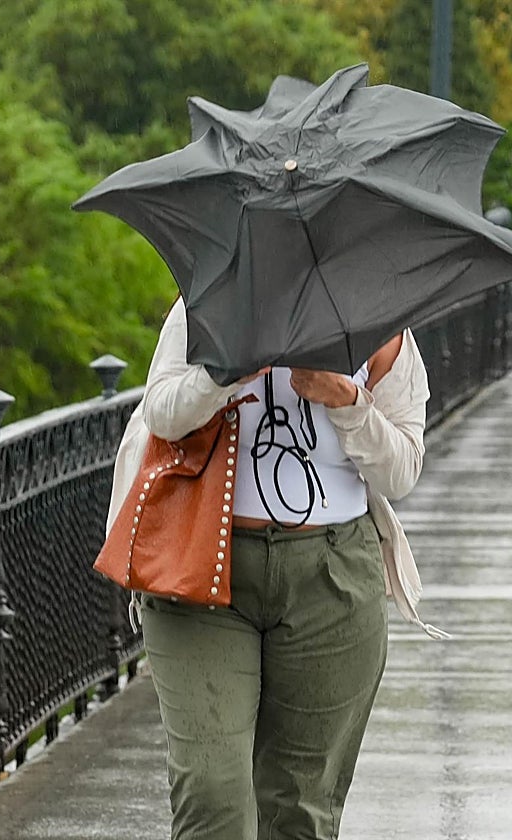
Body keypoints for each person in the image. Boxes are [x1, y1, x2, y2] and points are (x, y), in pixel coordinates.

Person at [107, 296, 445, 840]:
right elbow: (162, 411)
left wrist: (347, 398)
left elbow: (402, 470)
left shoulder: (378, 322)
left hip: (332, 581)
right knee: (211, 800)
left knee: (301, 812)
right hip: (202, 572)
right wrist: (226, 372)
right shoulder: (212, 298)